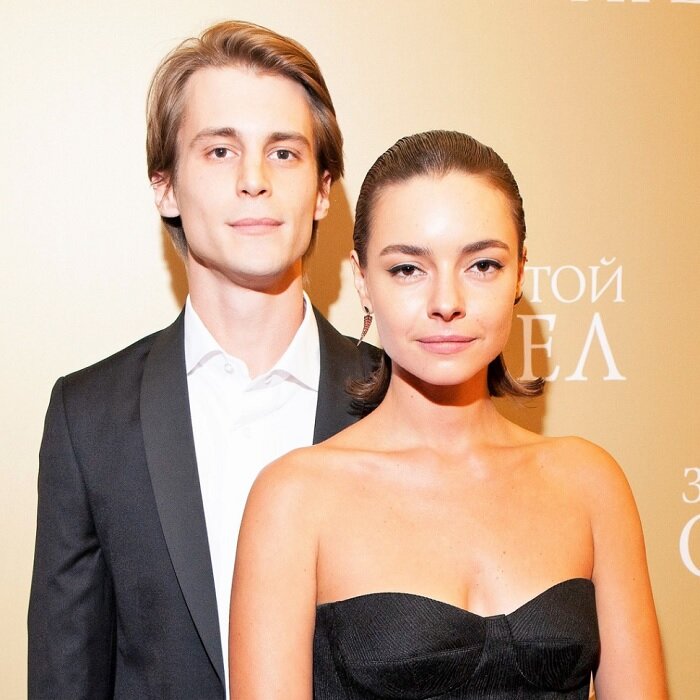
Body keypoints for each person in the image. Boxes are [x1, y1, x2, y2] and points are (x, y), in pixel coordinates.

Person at [229, 130, 668, 698]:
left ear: (519, 274)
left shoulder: (590, 484)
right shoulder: (295, 499)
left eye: (481, 265)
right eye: (407, 269)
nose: (446, 302)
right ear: (362, 280)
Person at [28, 20, 378, 700]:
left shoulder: (395, 398)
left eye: (284, 153)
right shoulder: (88, 418)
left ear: (324, 189)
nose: (254, 180)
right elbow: (66, 677)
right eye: (220, 150)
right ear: (164, 186)